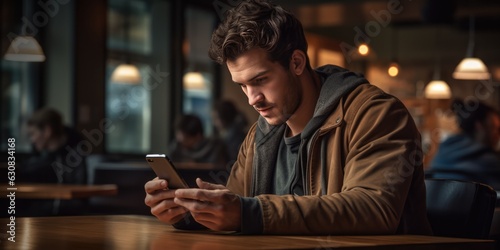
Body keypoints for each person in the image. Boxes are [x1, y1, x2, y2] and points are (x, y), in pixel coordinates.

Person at [145, 0, 431, 235]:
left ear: (296, 62)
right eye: (242, 85)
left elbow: (373, 210)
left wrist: (250, 213)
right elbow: (234, 209)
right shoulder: (261, 133)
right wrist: (188, 213)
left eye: (260, 80)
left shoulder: (376, 114)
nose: (252, 99)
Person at [18, 107, 87, 216]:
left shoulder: (75, 156)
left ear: (47, 131)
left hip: (60, 215)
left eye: (33, 134)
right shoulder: (39, 157)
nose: (32, 140)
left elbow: (77, 197)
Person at [428, 99, 500, 190]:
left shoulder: (444, 148)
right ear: (479, 126)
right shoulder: (490, 160)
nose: (498, 134)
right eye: (495, 128)